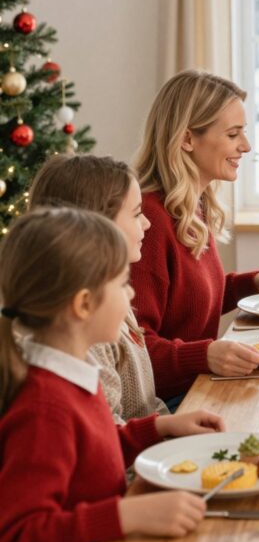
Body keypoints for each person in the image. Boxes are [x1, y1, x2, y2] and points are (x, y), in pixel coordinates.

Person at [0, 208, 223, 542]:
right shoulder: (44, 407)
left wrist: (157, 428)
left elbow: (89, 454)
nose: (132, 297)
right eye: (122, 285)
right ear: (84, 304)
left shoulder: (71, 373)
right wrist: (126, 515)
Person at [132, 70, 259, 403]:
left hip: (198, 383)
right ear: (187, 139)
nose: (246, 146)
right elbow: (134, 347)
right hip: (171, 401)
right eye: (233, 134)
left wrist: (250, 284)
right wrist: (205, 355)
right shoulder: (149, 220)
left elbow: (184, 305)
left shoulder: (193, 205)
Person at [29, 154, 168, 423]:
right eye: (137, 213)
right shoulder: (86, 322)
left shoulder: (111, 294)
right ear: (98, 224)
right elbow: (106, 435)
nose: (147, 223)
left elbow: (147, 406)